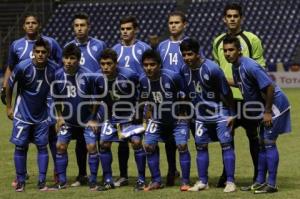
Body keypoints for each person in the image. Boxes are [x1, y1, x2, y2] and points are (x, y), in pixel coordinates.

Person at [223, 36, 291, 194]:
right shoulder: (235, 66)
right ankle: (259, 181)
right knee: (261, 143)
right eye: (225, 50)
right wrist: (222, 79)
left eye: (231, 50)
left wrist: (267, 112)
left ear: (239, 50)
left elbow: (270, 88)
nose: (228, 53)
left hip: (275, 105)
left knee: (268, 142)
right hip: (262, 108)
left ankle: (272, 184)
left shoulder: (251, 66)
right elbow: (241, 83)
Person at [1, 13, 62, 187]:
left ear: (39, 25)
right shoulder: (18, 48)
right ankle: (20, 177)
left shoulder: (52, 46)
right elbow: (11, 68)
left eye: (33, 22)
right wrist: (8, 103)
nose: (30, 25)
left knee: (48, 141)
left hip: (45, 104)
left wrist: (58, 113)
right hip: (25, 105)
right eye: (27, 23)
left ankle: (52, 176)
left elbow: (59, 71)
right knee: (22, 145)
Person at [212, 2, 265, 188]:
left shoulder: (252, 39)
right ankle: (227, 175)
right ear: (224, 19)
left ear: (241, 18)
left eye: (236, 16)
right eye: (229, 16)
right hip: (226, 99)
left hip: (248, 99)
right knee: (226, 137)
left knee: (254, 137)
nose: (232, 19)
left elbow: (260, 69)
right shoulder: (218, 41)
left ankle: (259, 176)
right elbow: (217, 69)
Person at [180, 38, 237, 193]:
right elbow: (185, 94)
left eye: (190, 54)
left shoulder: (212, 68)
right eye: (184, 55)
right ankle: (203, 181)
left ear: (198, 53)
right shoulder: (183, 70)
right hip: (200, 116)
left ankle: (230, 181)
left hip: (219, 113)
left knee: (226, 145)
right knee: (200, 146)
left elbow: (226, 92)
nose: (187, 58)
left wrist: (232, 114)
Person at [49, 43, 104, 191]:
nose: (68, 61)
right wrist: (59, 117)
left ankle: (93, 181)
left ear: (78, 60)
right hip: (68, 121)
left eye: (72, 58)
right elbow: (56, 97)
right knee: (60, 146)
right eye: (66, 58)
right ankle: (61, 182)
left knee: (92, 146)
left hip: (86, 120)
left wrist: (93, 118)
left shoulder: (88, 75)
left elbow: (98, 98)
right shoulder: (58, 75)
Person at [64, 12, 106, 187]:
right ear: (73, 27)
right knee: (80, 141)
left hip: (95, 99)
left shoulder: (99, 45)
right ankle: (82, 174)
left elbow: (106, 66)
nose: (80, 28)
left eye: (83, 25)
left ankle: (100, 175)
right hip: (76, 100)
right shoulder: (68, 46)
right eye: (77, 25)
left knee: (97, 140)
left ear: (89, 27)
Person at [140, 49, 191, 191]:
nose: (149, 68)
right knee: (148, 146)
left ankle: (185, 181)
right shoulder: (143, 80)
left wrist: (183, 115)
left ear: (159, 64)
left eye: (152, 64)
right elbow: (146, 99)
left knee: (182, 146)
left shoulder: (173, 77)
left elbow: (185, 96)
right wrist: (147, 116)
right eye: (145, 65)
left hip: (177, 119)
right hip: (157, 119)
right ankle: (156, 180)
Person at [97, 49, 146, 191]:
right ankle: (108, 180)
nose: (105, 67)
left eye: (109, 64)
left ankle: (141, 179)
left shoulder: (129, 75)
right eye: (103, 64)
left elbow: (142, 89)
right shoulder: (98, 77)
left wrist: (140, 112)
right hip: (112, 117)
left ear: (116, 63)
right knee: (104, 144)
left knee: (137, 143)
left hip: (130, 117)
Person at [112, 16, 150, 187]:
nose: (125, 31)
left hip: (139, 102)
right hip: (119, 104)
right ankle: (123, 175)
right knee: (121, 141)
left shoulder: (144, 48)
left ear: (135, 30)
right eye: (122, 29)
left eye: (128, 28)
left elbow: (150, 73)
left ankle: (142, 177)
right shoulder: (114, 50)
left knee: (136, 141)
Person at [156, 10, 189, 185]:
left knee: (185, 137)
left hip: (187, 97)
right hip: (167, 97)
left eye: (177, 22)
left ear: (184, 24)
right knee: (168, 137)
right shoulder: (162, 46)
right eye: (171, 23)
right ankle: (171, 169)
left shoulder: (190, 44)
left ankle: (187, 174)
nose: (173, 25)